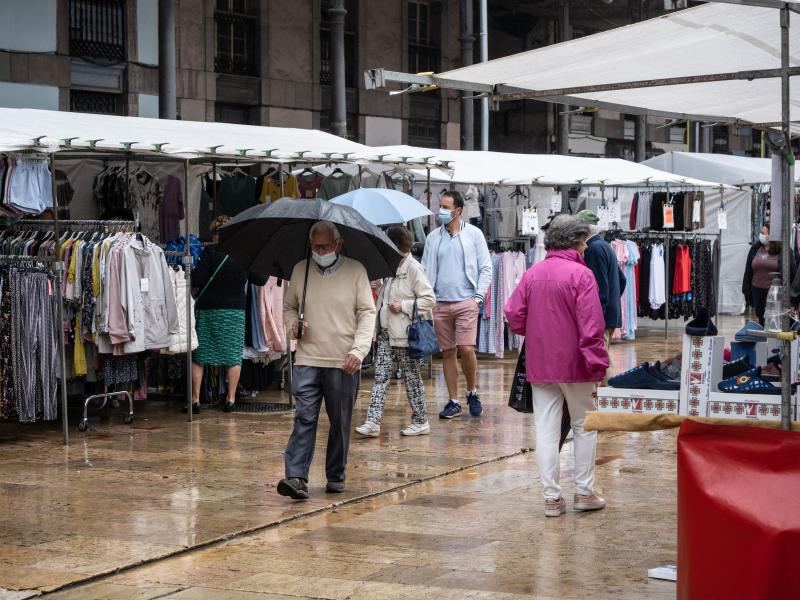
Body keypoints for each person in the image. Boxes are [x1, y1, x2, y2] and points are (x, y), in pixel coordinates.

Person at [504, 215, 609, 518]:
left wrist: (535, 331)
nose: (586, 246)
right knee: (585, 426)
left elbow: (512, 312)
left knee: (547, 431)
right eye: (584, 240)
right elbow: (591, 327)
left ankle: (552, 498)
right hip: (576, 364)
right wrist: (598, 365)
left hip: (541, 362)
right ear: (575, 241)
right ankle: (584, 492)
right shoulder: (581, 275)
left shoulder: (533, 274)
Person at [278, 221, 376, 500]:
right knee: (304, 417)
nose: (319, 251)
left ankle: (335, 475)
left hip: (343, 360)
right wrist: (292, 325)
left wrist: (359, 350)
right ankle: (296, 476)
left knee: (340, 421)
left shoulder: (356, 270)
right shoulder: (301, 270)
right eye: (315, 247)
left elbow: (368, 313)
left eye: (324, 246)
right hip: (308, 357)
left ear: (338, 244)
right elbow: (289, 307)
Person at [356, 226, 436, 438]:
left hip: (406, 337)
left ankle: (420, 421)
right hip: (386, 334)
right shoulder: (389, 267)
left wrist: (405, 306)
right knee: (380, 377)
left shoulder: (413, 268)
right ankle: (373, 421)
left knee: (412, 378)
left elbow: (429, 299)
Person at [421, 190, 492, 419]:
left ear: (458, 211)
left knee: (467, 348)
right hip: (440, 303)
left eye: (445, 207)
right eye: (439, 205)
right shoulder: (433, 237)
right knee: (448, 352)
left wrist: (478, 297)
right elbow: (425, 270)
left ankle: (472, 391)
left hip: (466, 301)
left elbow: (485, 268)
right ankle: (453, 400)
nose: (440, 211)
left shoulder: (474, 234)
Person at [188, 215, 267, 413]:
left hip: (208, 310)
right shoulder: (245, 254)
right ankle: (231, 399)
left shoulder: (210, 252)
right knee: (233, 356)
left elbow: (197, 278)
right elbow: (261, 279)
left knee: (199, 356)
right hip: (234, 311)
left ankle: (195, 399)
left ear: (217, 234)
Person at [575, 210, 626, 352]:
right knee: (601, 357)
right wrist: (612, 301)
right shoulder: (604, 245)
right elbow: (622, 279)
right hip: (609, 314)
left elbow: (598, 288)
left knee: (599, 361)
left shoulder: (594, 249)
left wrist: (596, 318)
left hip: (601, 319)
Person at [743, 224, 794, 326]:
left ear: (772, 235)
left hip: (774, 293)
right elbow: (748, 270)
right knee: (761, 319)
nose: (761, 235)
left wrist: (792, 297)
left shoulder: (784, 250)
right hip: (757, 291)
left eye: (764, 233)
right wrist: (746, 290)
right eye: (761, 233)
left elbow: (792, 272)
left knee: (774, 322)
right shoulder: (755, 248)